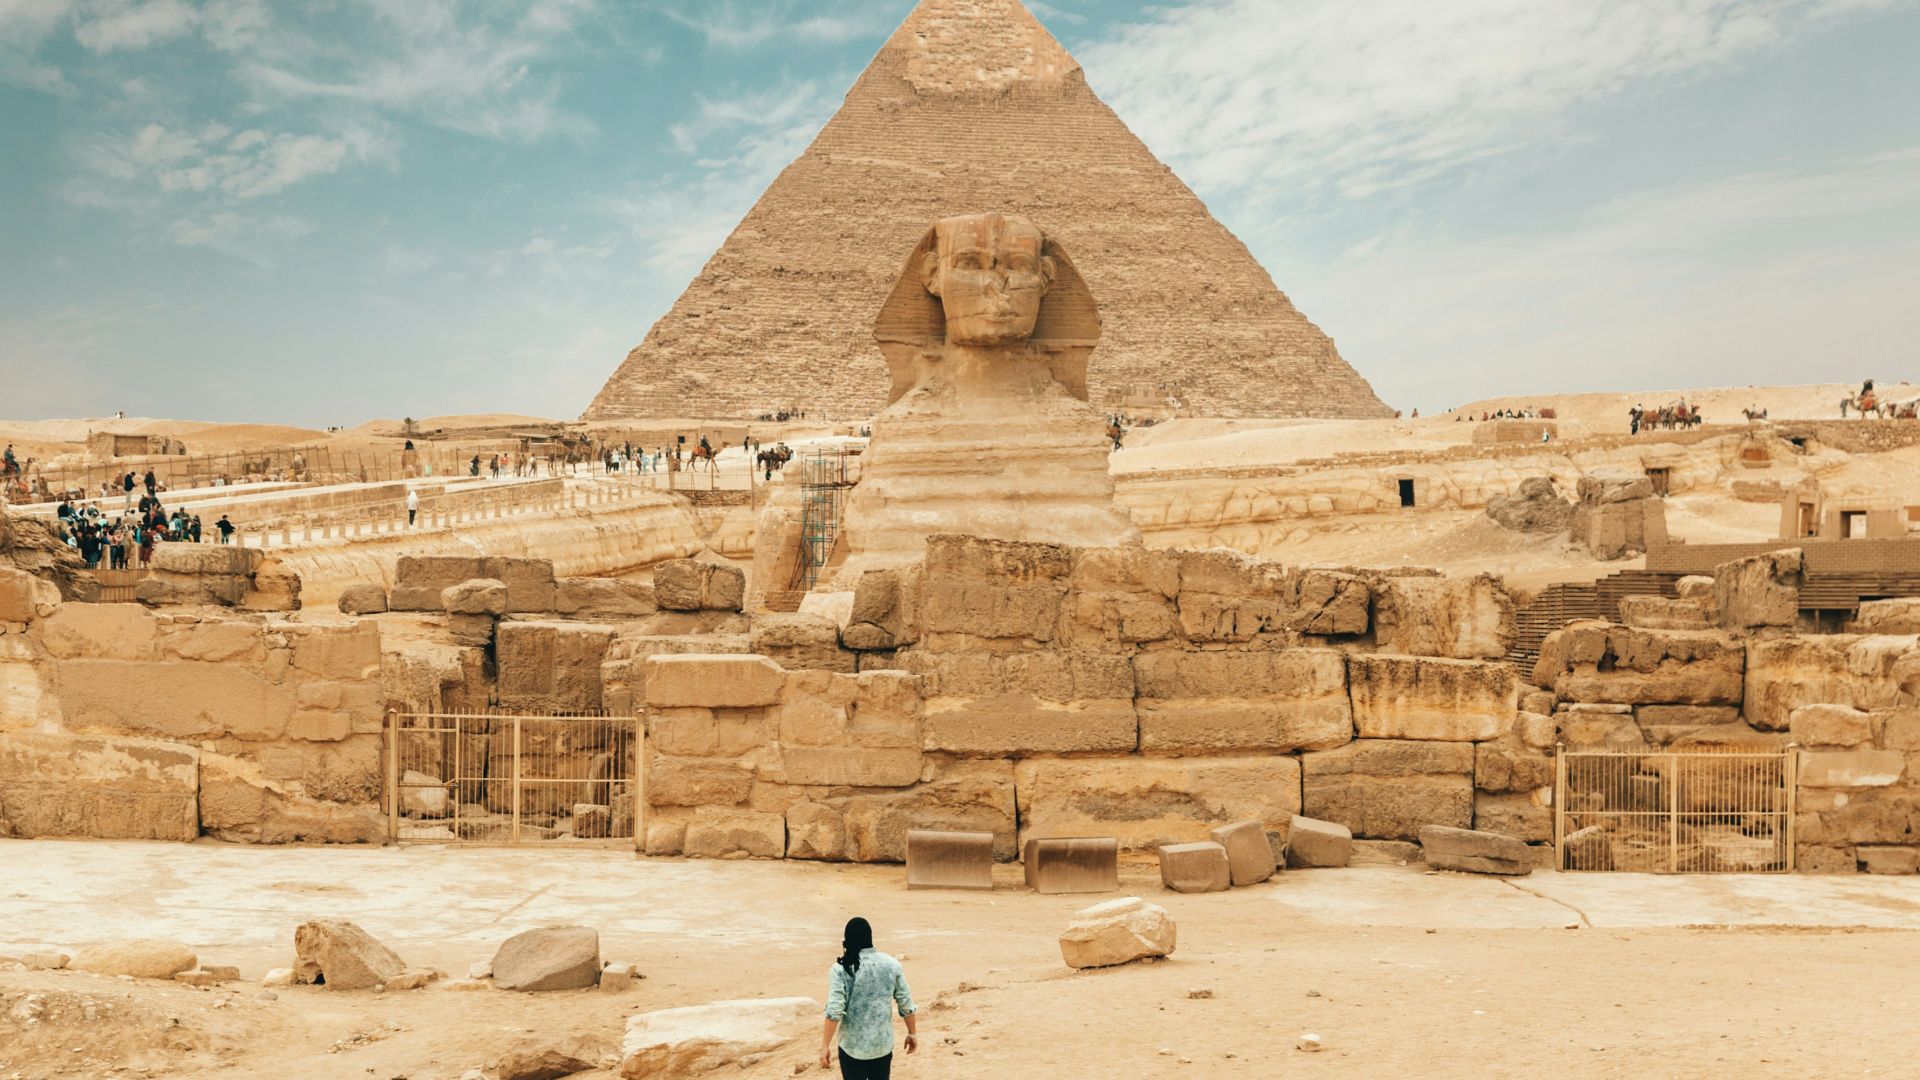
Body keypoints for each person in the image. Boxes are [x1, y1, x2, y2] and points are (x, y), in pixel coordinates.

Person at [819, 918, 916, 1078]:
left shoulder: (840, 969)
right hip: (882, 1045)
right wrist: (912, 1033)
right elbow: (905, 1002)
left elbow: (834, 1011)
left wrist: (825, 1046)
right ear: (870, 937)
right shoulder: (891, 964)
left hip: (852, 1047)